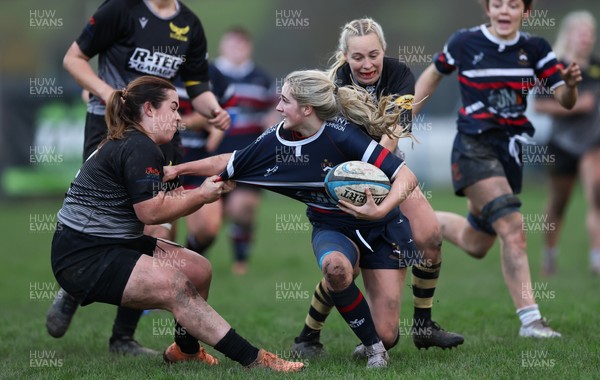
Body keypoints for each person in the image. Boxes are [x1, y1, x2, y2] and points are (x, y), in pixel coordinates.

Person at [165, 69, 422, 368]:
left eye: (285, 100)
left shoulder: (342, 135)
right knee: (336, 269)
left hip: (382, 228)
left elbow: (406, 176)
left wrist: (379, 208)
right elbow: (232, 160)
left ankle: (374, 338)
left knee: (389, 332)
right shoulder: (275, 139)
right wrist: (179, 170)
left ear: (306, 108)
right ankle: (375, 349)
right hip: (333, 227)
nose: (277, 107)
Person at [50, 76, 303, 373]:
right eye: (173, 108)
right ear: (149, 109)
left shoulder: (141, 142)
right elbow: (151, 213)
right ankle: (255, 359)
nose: (179, 117)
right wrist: (203, 195)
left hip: (114, 243)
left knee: (198, 270)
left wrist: (206, 189)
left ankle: (186, 351)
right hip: (84, 254)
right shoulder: (138, 146)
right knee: (176, 287)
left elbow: (168, 200)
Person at [46, 0, 230, 355]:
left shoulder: (189, 22)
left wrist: (213, 109)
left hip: (160, 133)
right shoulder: (120, 9)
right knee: (115, 218)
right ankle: (75, 283)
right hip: (110, 127)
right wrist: (109, 95)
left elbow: (196, 83)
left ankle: (122, 338)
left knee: (159, 225)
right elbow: (74, 59)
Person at [291, 18, 464, 358]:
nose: (367, 64)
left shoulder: (399, 74)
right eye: (358, 57)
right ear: (345, 57)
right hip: (344, 181)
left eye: (374, 55)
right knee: (345, 268)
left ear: (383, 51)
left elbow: (395, 129)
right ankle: (308, 335)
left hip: (389, 171)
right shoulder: (331, 87)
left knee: (429, 234)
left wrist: (377, 167)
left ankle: (424, 325)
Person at [413, 0, 582, 338]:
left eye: (513, 4)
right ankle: (531, 321)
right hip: (473, 147)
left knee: (476, 243)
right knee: (513, 227)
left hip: (509, 153)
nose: (505, 10)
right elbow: (432, 77)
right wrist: (404, 115)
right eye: (498, 3)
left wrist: (570, 84)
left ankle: (417, 220)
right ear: (487, 8)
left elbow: (565, 100)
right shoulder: (464, 42)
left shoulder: (535, 48)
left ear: (526, 11)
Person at [183, 27, 278, 275]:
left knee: (243, 207)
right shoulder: (205, 75)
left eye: (241, 45)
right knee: (207, 221)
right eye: (232, 44)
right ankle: (194, 257)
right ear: (222, 47)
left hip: (247, 155)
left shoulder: (262, 79)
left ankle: (240, 262)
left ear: (249, 48)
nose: (237, 49)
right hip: (208, 156)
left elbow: (273, 113)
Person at [533, 10, 600, 277]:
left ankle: (596, 258)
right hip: (562, 144)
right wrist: (576, 107)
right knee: (559, 202)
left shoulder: (596, 67)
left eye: (590, 33)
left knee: (596, 193)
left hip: (593, 142)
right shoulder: (554, 67)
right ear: (569, 35)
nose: (586, 38)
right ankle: (549, 256)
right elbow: (539, 106)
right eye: (581, 32)